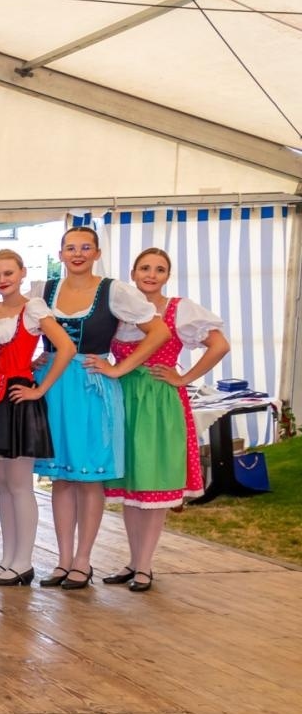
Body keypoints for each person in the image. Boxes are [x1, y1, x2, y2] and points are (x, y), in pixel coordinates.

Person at [34, 225, 168, 589]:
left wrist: (119, 367)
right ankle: (62, 560)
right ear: (60, 253)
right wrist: (35, 360)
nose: (77, 254)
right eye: (70, 248)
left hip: (92, 385)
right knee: (61, 477)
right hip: (54, 385)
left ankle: (83, 560)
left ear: (96, 253)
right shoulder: (44, 290)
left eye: (85, 248)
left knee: (88, 477)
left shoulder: (114, 290)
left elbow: (159, 332)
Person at [101, 248, 229, 592]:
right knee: (131, 482)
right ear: (133, 272)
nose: (151, 275)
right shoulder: (121, 310)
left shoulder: (179, 309)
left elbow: (219, 346)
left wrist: (184, 379)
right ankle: (133, 560)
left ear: (167, 276)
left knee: (154, 479)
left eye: (159, 269)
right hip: (124, 397)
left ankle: (145, 565)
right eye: (145, 268)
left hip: (158, 400)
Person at [0, 250, 75, 586]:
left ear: (22, 272)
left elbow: (66, 347)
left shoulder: (33, 309)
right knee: (1, 486)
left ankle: (23, 561)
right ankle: (7, 559)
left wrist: (38, 389)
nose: (2, 280)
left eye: (8, 273)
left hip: (17, 398)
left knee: (18, 485)